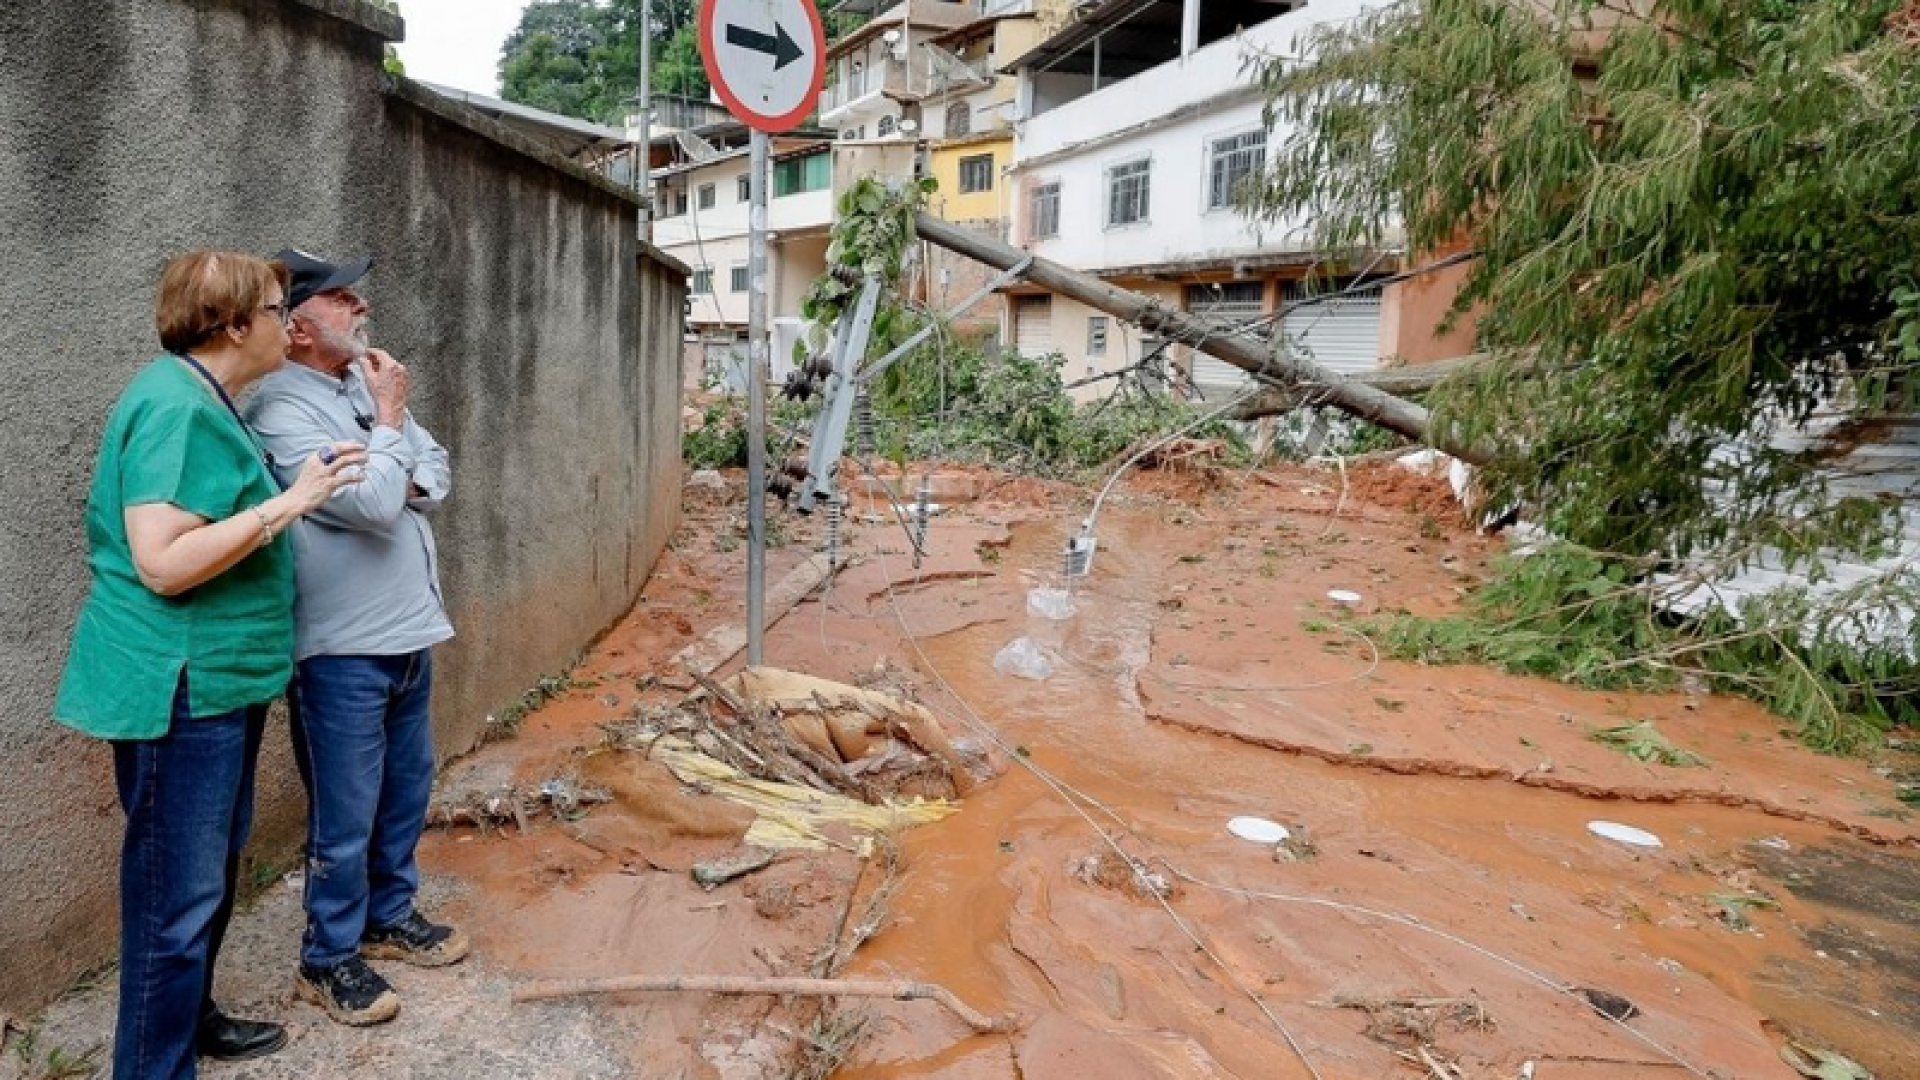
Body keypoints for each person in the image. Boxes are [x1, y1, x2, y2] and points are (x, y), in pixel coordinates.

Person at [54, 251, 368, 1080]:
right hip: (178, 689)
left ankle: (190, 1022)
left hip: (219, 683)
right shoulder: (174, 408)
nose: (287, 320)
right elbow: (162, 560)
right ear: (233, 326)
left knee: (206, 877)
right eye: (275, 308)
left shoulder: (209, 401)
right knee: (175, 897)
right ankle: (153, 1067)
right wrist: (289, 503)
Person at [244, 251, 465, 1028]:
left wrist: (391, 457)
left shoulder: (357, 390)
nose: (361, 304)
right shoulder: (280, 409)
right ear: (298, 326)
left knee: (406, 790)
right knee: (345, 809)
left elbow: (433, 474)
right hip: (339, 647)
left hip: (408, 629)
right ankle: (327, 957)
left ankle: (388, 916)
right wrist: (393, 429)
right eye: (341, 296)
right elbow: (373, 506)